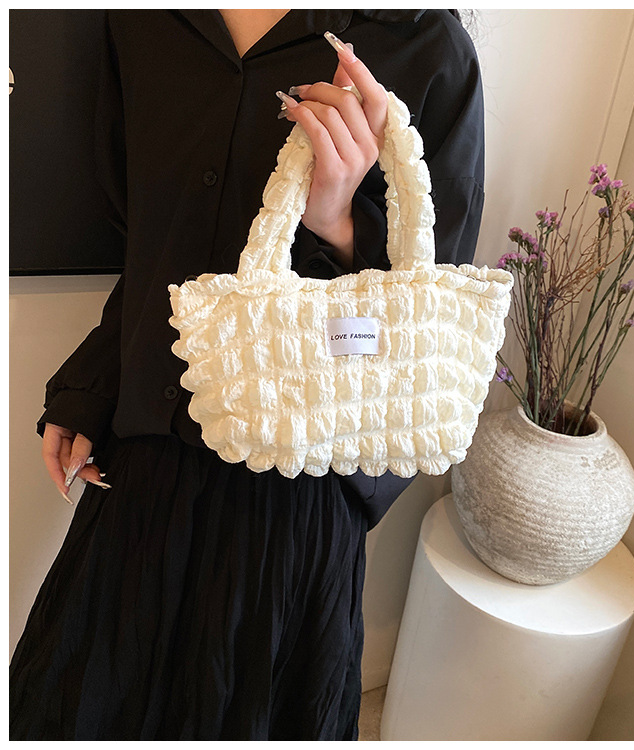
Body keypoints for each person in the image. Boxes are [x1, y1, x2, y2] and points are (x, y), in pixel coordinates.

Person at [10, 9, 485, 740]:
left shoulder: (420, 43)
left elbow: (424, 309)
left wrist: (338, 220)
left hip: (297, 495)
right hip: (147, 465)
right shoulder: (145, 23)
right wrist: (94, 386)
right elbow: (150, 241)